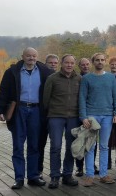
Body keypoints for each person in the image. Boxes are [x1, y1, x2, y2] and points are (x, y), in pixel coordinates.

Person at [0, 47, 53, 190]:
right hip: (19, 110)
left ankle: (33, 176)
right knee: (18, 145)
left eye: (34, 56)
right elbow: (3, 92)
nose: (31, 58)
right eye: (28, 56)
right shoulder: (12, 72)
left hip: (36, 111)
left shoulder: (45, 72)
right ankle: (19, 178)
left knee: (34, 145)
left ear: (37, 57)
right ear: (23, 56)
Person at [78, 53, 116, 187]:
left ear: (105, 62)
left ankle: (103, 174)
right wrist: (83, 117)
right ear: (93, 62)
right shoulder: (87, 78)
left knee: (104, 146)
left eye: (102, 60)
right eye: (97, 60)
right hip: (91, 116)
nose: (100, 62)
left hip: (107, 116)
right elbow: (82, 98)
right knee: (90, 146)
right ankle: (90, 175)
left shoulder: (111, 78)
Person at [43, 54, 80, 189]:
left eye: (71, 63)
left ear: (74, 64)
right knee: (56, 146)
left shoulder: (79, 79)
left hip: (74, 118)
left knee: (71, 147)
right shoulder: (52, 78)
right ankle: (54, 176)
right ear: (61, 64)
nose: (69, 65)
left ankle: (67, 175)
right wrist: (50, 114)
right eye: (66, 63)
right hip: (56, 117)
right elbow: (45, 100)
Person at [38, 54, 60, 179]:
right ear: (45, 63)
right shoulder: (40, 77)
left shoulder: (61, 78)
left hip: (56, 116)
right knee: (40, 144)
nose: (53, 64)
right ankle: (38, 170)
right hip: (41, 116)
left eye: (55, 63)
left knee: (56, 145)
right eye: (50, 62)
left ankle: (56, 170)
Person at [75, 57, 91, 177]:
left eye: (87, 64)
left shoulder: (93, 77)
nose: (85, 66)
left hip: (91, 113)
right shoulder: (77, 78)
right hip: (78, 113)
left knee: (91, 140)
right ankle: (79, 167)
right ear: (79, 66)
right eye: (83, 65)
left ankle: (91, 165)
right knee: (80, 141)